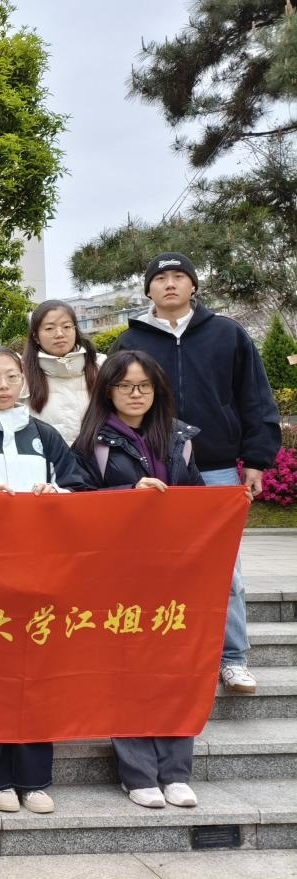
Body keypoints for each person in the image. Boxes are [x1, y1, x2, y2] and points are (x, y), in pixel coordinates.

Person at [112, 253, 281, 695]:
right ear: (148, 289)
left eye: (179, 276)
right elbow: (111, 405)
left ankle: (233, 659)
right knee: (152, 568)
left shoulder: (227, 334)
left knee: (224, 571)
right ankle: (162, 658)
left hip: (216, 470)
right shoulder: (130, 340)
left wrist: (257, 459)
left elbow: (255, 398)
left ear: (193, 286)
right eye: (160, 278)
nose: (170, 284)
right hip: (152, 470)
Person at [0, 346, 88, 816]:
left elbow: (79, 488)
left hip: (40, 573)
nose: (4, 385)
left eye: (11, 375)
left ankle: (34, 778)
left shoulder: (44, 435)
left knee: (37, 675)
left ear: (24, 380)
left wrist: (55, 493)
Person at [72, 350, 203, 810]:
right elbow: (76, 502)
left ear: (157, 390)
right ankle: (138, 774)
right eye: (125, 386)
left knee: (174, 671)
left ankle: (176, 772)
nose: (135, 394)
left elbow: (198, 502)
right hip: (118, 575)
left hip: (174, 574)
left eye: (144, 386)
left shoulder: (180, 438)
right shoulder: (92, 443)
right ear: (107, 391)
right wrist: (129, 493)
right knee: (125, 672)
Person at [20, 300, 105, 445]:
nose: (59, 334)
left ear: (75, 330)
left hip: (95, 457)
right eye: (49, 328)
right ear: (36, 337)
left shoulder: (100, 366)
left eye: (66, 327)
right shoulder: (20, 375)